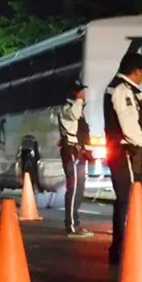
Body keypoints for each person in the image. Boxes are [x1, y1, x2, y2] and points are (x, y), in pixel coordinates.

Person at [103, 52, 142, 265]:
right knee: (131, 200)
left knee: (131, 200)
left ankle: (125, 248)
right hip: (127, 153)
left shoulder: (127, 89)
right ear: (135, 71)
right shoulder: (122, 90)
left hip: (129, 153)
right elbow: (130, 127)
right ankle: (125, 249)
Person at [58, 79, 93, 237]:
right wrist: (79, 100)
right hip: (71, 152)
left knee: (79, 188)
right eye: (80, 91)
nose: (83, 94)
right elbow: (74, 115)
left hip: (79, 152)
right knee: (73, 188)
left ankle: (75, 223)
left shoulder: (77, 109)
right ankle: (71, 226)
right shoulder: (67, 109)